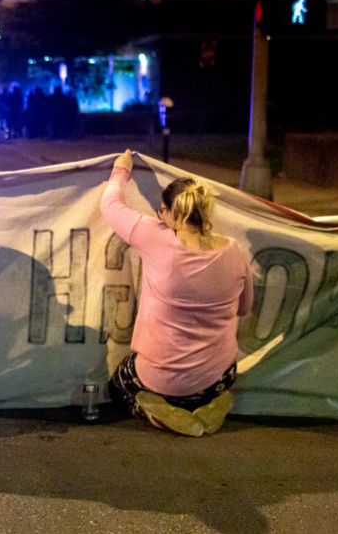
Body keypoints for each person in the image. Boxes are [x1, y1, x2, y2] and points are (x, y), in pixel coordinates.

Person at [100, 149, 253, 436]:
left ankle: (153, 411)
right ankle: (209, 405)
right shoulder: (235, 251)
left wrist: (122, 168)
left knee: (118, 387)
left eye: (162, 210)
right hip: (219, 376)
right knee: (210, 380)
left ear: (173, 214)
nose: (159, 215)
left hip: (162, 380)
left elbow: (110, 204)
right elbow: (244, 308)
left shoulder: (156, 238)